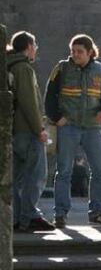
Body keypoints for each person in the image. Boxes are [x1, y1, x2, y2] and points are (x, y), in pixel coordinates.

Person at [45, 34, 101, 228]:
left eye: (79, 51)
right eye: (73, 51)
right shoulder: (61, 68)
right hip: (68, 127)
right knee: (64, 171)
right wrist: (57, 117)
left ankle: (98, 212)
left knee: (100, 171)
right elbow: (49, 95)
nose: (75, 55)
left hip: (92, 128)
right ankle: (60, 214)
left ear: (90, 52)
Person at [7, 31, 55, 232]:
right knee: (35, 175)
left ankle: (18, 217)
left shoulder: (10, 66)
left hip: (15, 131)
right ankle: (30, 215)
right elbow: (29, 103)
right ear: (28, 46)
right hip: (27, 130)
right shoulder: (24, 69)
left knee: (18, 178)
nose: (36, 49)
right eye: (34, 45)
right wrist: (39, 130)